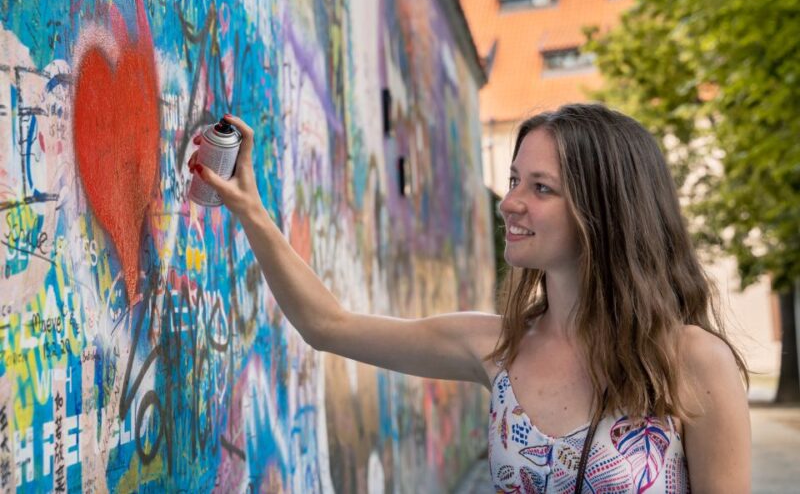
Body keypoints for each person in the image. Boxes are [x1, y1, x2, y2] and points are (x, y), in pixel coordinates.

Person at [188, 104, 751, 493]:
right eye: (513, 180)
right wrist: (250, 209)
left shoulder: (692, 361)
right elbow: (327, 325)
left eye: (541, 188)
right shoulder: (499, 347)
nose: (510, 203)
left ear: (607, 210)